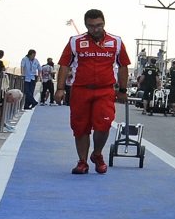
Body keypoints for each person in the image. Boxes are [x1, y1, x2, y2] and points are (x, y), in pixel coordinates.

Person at [54, 10, 131, 175]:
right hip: (81, 90)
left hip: (105, 91)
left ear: (104, 23)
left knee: (104, 124)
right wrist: (60, 89)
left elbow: (123, 66)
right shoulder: (75, 41)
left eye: (99, 25)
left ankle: (97, 154)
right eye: (91, 26)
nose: (95, 29)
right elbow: (64, 65)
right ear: (86, 25)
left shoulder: (115, 41)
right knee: (80, 127)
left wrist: (123, 90)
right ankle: (82, 161)